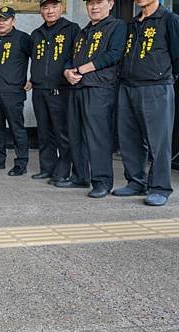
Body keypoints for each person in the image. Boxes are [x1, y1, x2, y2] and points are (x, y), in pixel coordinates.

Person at [112, 0, 179, 206]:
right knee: (129, 138)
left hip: (156, 87)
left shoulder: (170, 19)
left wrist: (164, 76)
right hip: (128, 85)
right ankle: (136, 181)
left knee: (158, 141)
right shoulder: (132, 23)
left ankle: (160, 187)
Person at [57, 0, 126, 198]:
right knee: (75, 134)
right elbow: (71, 57)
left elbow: (113, 55)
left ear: (111, 4)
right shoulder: (83, 31)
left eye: (99, 2)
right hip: (77, 87)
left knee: (98, 137)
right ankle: (80, 176)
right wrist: (67, 72)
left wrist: (80, 69)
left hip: (99, 88)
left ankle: (102, 181)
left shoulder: (117, 26)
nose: (94, 7)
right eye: (90, 3)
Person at [29, 0, 81, 184]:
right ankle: (47, 168)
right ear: (40, 10)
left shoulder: (72, 29)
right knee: (44, 132)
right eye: (45, 7)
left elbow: (76, 56)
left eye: (54, 6)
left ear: (61, 8)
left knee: (62, 132)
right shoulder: (36, 34)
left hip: (61, 89)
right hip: (39, 90)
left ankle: (64, 170)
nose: (49, 11)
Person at [0, 7, 32, 176]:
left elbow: (39, 59)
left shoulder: (23, 39)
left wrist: (32, 79)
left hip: (13, 91)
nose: (1, 23)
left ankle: (21, 162)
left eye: (5, 19)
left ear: (13, 21)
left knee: (16, 128)